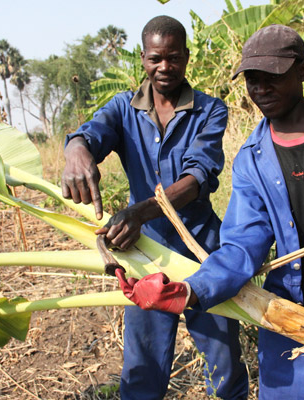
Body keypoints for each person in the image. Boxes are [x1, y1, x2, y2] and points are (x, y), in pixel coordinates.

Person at [115, 24, 304, 399]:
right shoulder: (252, 157)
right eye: (252, 79)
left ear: (301, 71)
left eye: (272, 77)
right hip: (283, 314)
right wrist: (189, 290)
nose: (260, 89)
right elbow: (241, 246)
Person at [61, 15, 248, 400]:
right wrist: (76, 150)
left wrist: (139, 213)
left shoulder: (210, 111)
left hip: (202, 255)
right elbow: (91, 134)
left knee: (224, 367)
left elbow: (197, 178)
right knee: (142, 373)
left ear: (187, 57)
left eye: (174, 58)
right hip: (144, 255)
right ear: (143, 58)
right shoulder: (121, 108)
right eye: (155, 59)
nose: (165, 68)